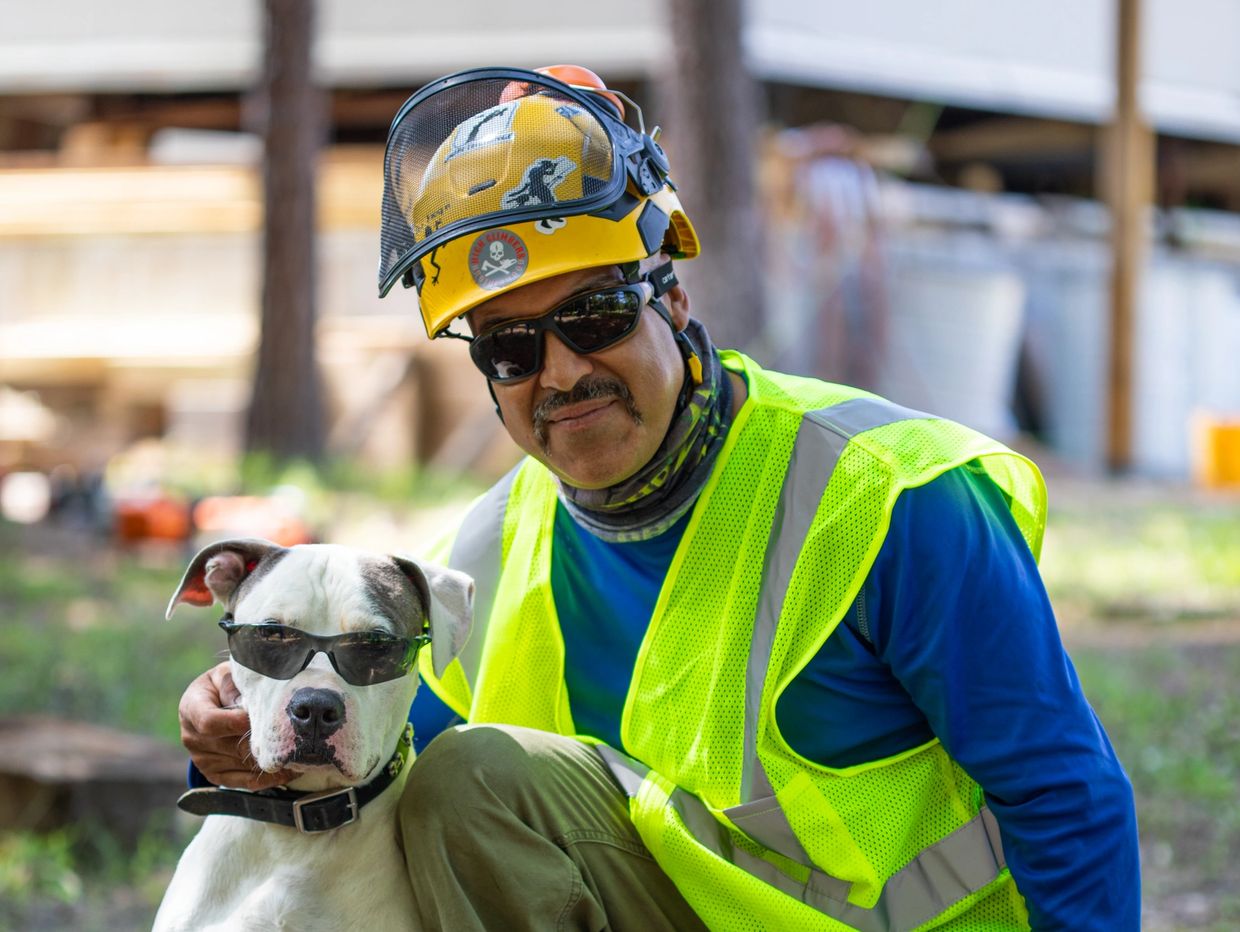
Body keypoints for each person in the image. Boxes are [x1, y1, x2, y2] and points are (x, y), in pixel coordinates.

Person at [179, 65, 1140, 930]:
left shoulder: (889, 497)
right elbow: (373, 764)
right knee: (464, 787)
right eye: (510, 349)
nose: (560, 373)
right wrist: (237, 731)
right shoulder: (493, 547)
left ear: (671, 301)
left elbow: (1064, 792)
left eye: (594, 315)